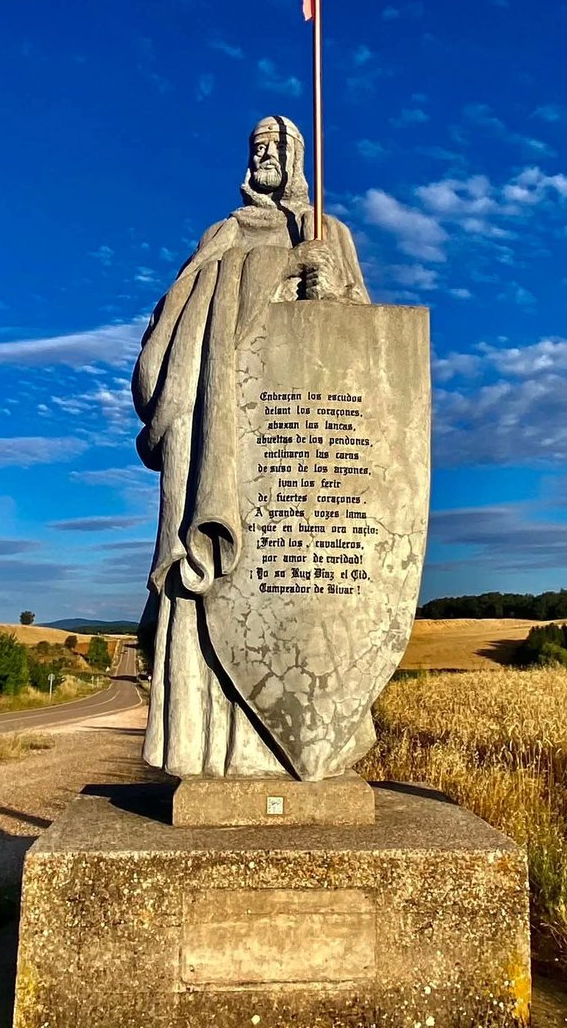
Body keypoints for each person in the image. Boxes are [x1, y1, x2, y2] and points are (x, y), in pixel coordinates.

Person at [132, 115, 369, 777]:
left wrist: (330, 294)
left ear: (298, 157)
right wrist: (279, 267)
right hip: (224, 447)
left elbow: (365, 360)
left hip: (302, 463)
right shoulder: (225, 235)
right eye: (255, 146)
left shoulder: (332, 235)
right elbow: (178, 324)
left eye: (276, 146)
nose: (264, 155)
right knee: (217, 584)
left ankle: (303, 746)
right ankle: (210, 751)